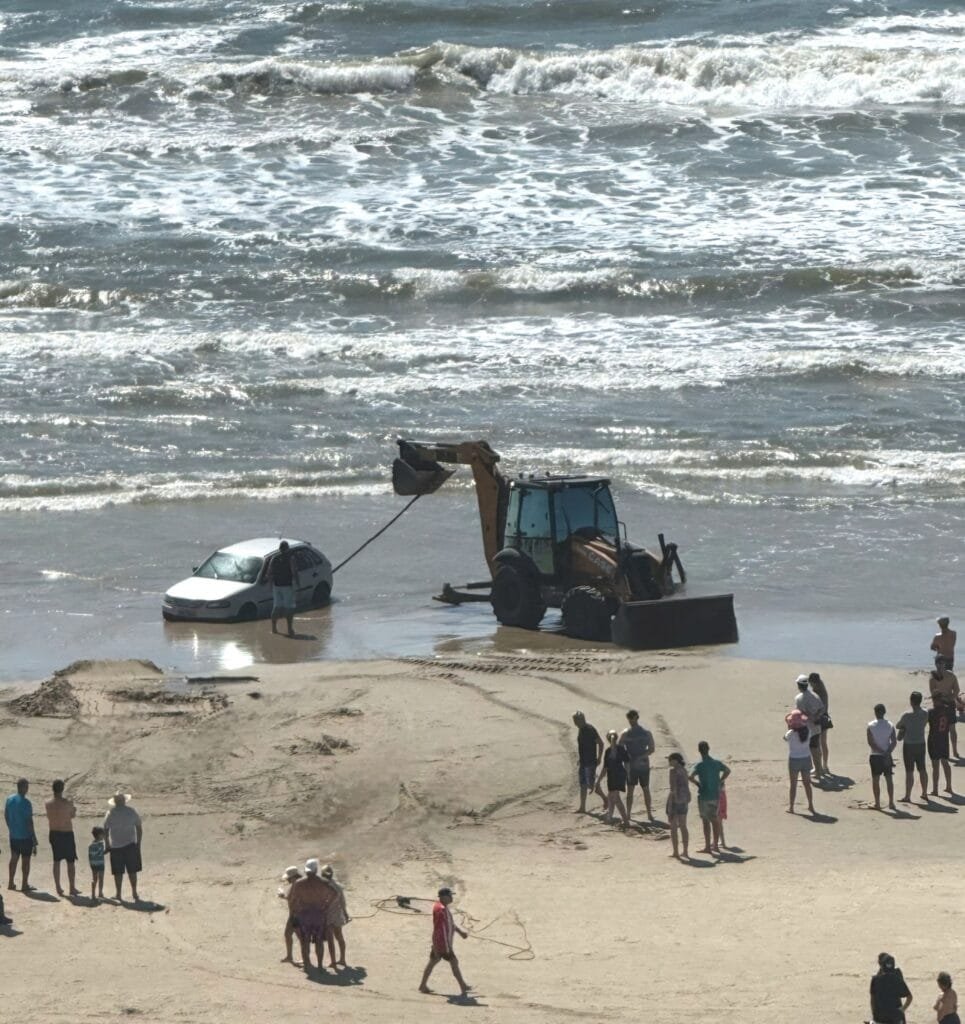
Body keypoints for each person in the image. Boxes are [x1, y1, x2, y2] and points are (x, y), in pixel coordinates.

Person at [419, 886, 470, 998]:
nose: (451, 898)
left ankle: (423, 985)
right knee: (454, 962)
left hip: (438, 942)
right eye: (450, 895)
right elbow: (441, 929)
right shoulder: (441, 910)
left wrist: (460, 932)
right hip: (443, 943)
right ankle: (463, 986)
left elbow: (450, 924)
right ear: (443, 897)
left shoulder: (441, 907)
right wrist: (446, 947)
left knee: (433, 961)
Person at [288, 858, 337, 971]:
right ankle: (319, 966)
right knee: (319, 941)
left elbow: (293, 899)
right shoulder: (323, 882)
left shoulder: (299, 883)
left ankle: (307, 965)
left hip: (304, 914)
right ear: (316, 870)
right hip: (319, 914)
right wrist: (326, 905)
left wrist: (294, 912)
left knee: (305, 942)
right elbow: (334, 893)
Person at [689, 741, 730, 854]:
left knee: (705, 821)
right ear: (708, 749)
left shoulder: (699, 765)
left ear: (699, 750)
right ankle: (715, 845)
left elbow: (690, 776)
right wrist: (720, 780)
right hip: (715, 795)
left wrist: (698, 784)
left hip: (704, 795)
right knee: (715, 820)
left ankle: (707, 846)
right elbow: (727, 770)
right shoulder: (716, 763)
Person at [102, 790, 143, 902]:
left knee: (118, 872)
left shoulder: (110, 813)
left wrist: (107, 845)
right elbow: (139, 828)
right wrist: (138, 843)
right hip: (130, 845)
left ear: (115, 801)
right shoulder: (131, 811)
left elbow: (105, 830)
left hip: (116, 846)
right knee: (132, 871)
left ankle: (119, 894)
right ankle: (134, 892)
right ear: (124, 800)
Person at [618, 709, 655, 821]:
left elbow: (651, 749)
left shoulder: (645, 733)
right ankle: (629, 813)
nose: (630, 721)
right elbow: (620, 748)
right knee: (631, 790)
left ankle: (649, 813)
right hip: (633, 765)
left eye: (632, 718)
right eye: (629, 718)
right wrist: (627, 758)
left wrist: (640, 757)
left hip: (641, 764)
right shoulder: (626, 733)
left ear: (636, 718)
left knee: (645, 789)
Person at [45, 779, 79, 897]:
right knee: (70, 861)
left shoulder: (48, 803)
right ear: (62, 789)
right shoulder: (67, 803)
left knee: (56, 861)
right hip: (66, 833)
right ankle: (72, 887)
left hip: (54, 833)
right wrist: (73, 808)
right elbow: (72, 815)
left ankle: (58, 887)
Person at [260, 540, 300, 637]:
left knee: (277, 607)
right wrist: (298, 584)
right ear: (287, 548)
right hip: (287, 586)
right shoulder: (290, 558)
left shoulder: (274, 558)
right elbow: (294, 572)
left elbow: (269, 573)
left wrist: (270, 585)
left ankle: (274, 628)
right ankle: (289, 629)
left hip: (276, 586)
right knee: (289, 607)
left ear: (279, 549)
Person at [896, 691, 929, 802]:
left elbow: (898, 725)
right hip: (921, 744)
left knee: (909, 771)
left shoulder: (906, 715)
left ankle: (908, 796)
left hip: (909, 745)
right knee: (922, 769)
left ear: (911, 701)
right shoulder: (925, 713)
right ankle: (924, 792)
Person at [5, 777, 36, 893]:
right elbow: (29, 822)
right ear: (23, 787)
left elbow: (6, 815)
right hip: (25, 837)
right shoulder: (26, 803)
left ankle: (10, 882)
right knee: (26, 860)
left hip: (14, 836)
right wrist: (34, 838)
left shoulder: (9, 799)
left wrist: (11, 827)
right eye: (27, 786)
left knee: (14, 858)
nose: (28, 789)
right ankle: (24, 884)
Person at [572, 711, 606, 814]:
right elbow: (583, 746)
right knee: (583, 784)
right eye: (574, 720)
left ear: (582, 720)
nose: (575, 723)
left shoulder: (590, 729)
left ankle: (606, 800)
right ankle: (582, 807)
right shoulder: (581, 729)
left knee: (592, 786)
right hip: (584, 762)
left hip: (590, 762)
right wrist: (580, 758)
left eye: (576, 720)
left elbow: (601, 743)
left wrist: (599, 758)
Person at [597, 730, 631, 827]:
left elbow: (605, 768)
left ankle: (625, 821)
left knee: (615, 798)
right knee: (612, 797)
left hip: (614, 776)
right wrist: (628, 774)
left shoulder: (610, 751)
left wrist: (598, 781)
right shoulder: (620, 749)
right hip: (617, 775)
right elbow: (627, 763)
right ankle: (610, 818)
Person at [867, 704, 897, 811]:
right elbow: (894, 741)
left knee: (876, 780)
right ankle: (891, 802)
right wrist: (888, 752)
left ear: (875, 712)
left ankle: (877, 803)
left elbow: (871, 743)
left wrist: (881, 751)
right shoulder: (890, 725)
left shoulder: (870, 725)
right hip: (887, 756)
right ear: (884, 712)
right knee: (889, 779)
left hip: (875, 756)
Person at [794, 675, 826, 778]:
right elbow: (822, 709)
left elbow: (800, 714)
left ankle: (813, 772)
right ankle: (818, 770)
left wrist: (809, 717)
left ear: (799, 685)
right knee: (816, 749)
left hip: (806, 729)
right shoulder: (814, 695)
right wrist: (816, 717)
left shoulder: (799, 698)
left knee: (808, 751)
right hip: (816, 728)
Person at [929, 657, 960, 758]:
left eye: (940, 664)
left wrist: (943, 699)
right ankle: (954, 751)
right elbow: (956, 691)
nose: (940, 666)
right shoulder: (951, 675)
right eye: (940, 663)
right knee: (951, 729)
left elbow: (933, 693)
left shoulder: (933, 677)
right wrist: (950, 698)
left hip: (940, 705)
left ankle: (949, 752)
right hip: (948, 703)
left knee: (943, 731)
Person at [321, 864, 350, 968]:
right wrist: (345, 914)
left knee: (330, 940)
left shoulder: (323, 886)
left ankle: (333, 962)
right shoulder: (337, 886)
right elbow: (343, 902)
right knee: (339, 937)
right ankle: (342, 959)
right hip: (337, 915)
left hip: (328, 916)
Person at [870, 952, 912, 1024]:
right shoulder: (897, 977)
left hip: (880, 1017)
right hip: (895, 1016)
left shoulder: (875, 979)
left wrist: (874, 1014)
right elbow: (909, 997)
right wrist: (902, 1010)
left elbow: (872, 1000)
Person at [784, 722, 815, 815]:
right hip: (806, 759)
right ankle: (811, 805)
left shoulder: (790, 733)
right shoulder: (808, 731)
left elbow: (785, 738)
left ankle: (791, 807)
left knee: (793, 785)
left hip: (794, 760)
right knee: (807, 784)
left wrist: (790, 728)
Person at [665, 752, 691, 859]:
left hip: (676, 800)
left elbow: (673, 788)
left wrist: (672, 802)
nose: (669, 762)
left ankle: (676, 852)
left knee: (674, 827)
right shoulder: (684, 770)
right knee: (683, 826)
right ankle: (685, 851)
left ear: (675, 760)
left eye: (670, 760)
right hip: (684, 799)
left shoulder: (673, 771)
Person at [928, 697, 955, 797]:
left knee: (935, 766)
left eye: (934, 700)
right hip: (944, 739)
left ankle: (935, 789)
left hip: (934, 740)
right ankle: (949, 786)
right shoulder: (948, 711)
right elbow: (952, 728)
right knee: (945, 763)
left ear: (937, 701)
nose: (933, 702)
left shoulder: (931, 712)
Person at [808, 671, 832, 773]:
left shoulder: (819, 691)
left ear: (814, 682)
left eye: (811, 683)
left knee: (818, 744)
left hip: (820, 718)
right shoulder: (821, 687)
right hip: (825, 717)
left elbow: (820, 708)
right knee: (823, 743)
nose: (810, 685)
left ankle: (820, 767)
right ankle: (825, 766)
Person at [278, 865, 301, 963]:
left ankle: (305, 959)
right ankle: (289, 956)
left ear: (293, 877)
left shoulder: (297, 886)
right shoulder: (298, 884)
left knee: (300, 937)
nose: (287, 879)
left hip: (296, 916)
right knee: (288, 934)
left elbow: (293, 899)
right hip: (293, 915)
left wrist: (282, 895)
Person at [88, 827, 106, 901]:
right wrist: (108, 850)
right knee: (101, 878)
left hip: (93, 864)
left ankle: (93, 894)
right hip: (100, 863)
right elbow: (101, 853)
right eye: (103, 834)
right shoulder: (100, 844)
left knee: (94, 879)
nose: (104, 836)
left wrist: (91, 863)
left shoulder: (91, 845)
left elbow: (90, 855)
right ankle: (100, 893)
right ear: (99, 835)